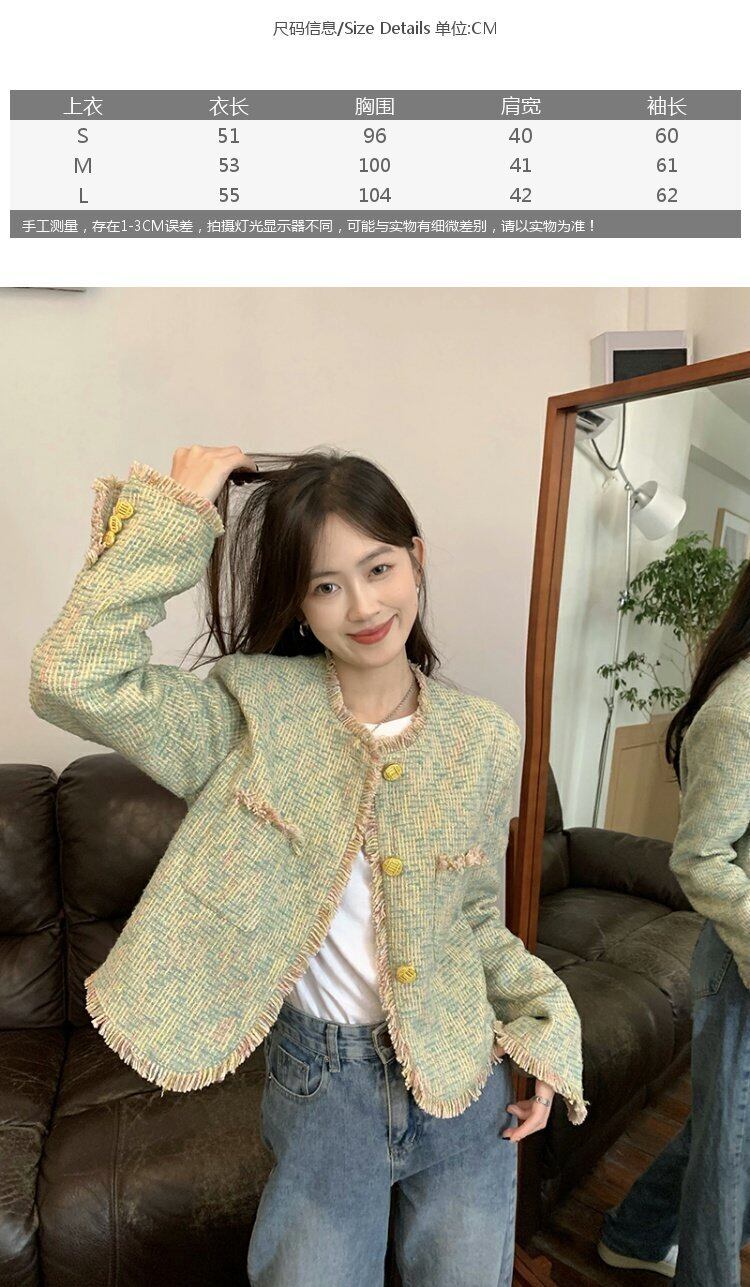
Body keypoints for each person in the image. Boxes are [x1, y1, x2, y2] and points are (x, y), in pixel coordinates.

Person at [29, 444, 587, 1286]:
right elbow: (72, 677)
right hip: (324, 1092)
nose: (363, 605)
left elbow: (474, 918)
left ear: (416, 558)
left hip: (462, 1079)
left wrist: (543, 1025)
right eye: (326, 584)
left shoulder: (484, 738)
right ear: (299, 600)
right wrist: (178, 513)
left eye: (379, 567)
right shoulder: (250, 712)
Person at [598, 557, 750, 1286]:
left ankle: (632, 1233)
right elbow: (700, 858)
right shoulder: (737, 712)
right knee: (731, 1150)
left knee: (727, 1127)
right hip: (742, 961)